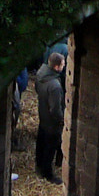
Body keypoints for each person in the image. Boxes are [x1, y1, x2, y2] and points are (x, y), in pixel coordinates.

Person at [35, 50, 66, 184]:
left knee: (41, 141)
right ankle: (47, 173)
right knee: (50, 147)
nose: (64, 66)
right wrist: (61, 120)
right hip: (51, 121)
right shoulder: (55, 86)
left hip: (42, 114)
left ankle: (39, 165)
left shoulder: (41, 74)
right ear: (56, 67)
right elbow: (55, 108)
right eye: (63, 64)